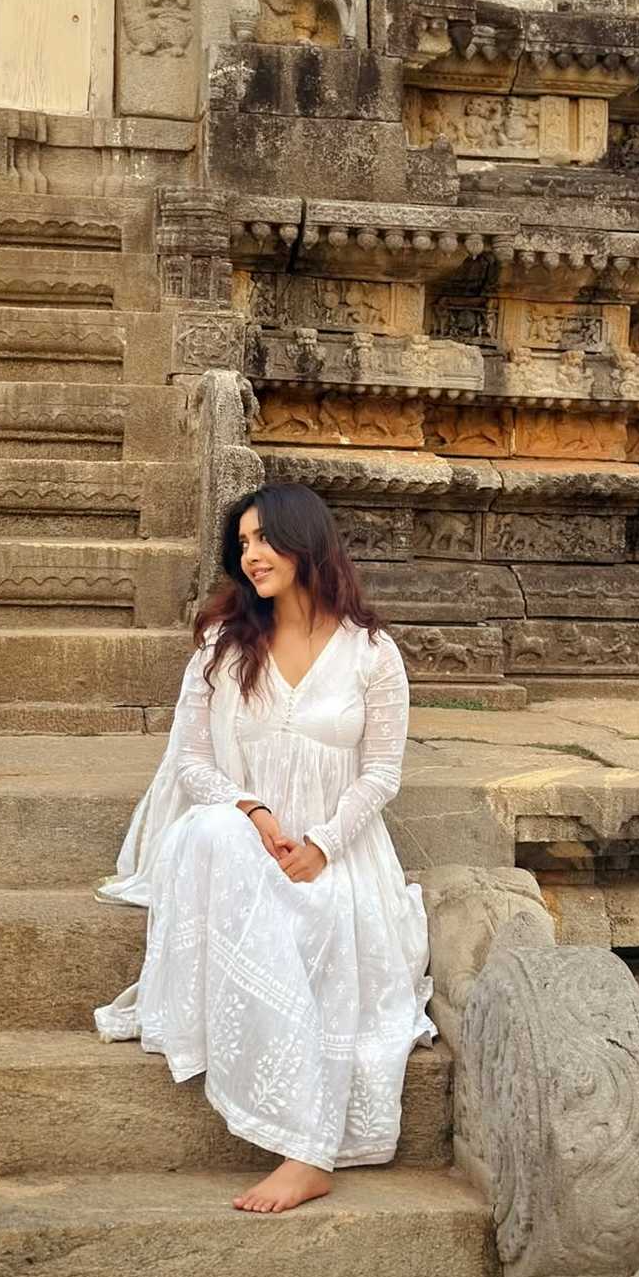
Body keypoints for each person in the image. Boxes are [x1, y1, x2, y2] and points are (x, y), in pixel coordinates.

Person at [94, 482, 435, 1213]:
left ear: (305, 541)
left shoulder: (372, 653)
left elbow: (381, 773)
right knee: (213, 832)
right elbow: (191, 763)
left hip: (337, 852)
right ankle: (301, 1142)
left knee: (327, 931)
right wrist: (249, 809)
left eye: (264, 539)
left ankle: (306, 1152)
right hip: (240, 840)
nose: (250, 555)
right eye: (242, 543)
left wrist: (323, 844)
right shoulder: (222, 647)